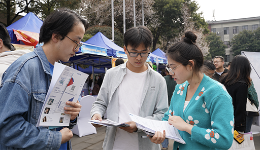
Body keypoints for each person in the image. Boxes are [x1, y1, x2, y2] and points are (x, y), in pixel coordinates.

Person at [0, 8, 87, 150]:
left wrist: (71, 116)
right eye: (75, 41)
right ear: (56, 36)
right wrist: (56, 138)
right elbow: (8, 129)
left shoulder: (62, 71)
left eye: (79, 44)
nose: (77, 49)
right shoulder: (25, 68)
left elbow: (53, 122)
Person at [149, 31, 234, 150]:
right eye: (169, 67)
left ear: (190, 65)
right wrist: (158, 132)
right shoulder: (180, 88)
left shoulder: (217, 93)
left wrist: (187, 127)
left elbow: (224, 139)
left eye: (173, 67)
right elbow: (169, 117)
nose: (170, 72)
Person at [90, 26, 168, 150]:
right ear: (125, 49)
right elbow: (100, 102)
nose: (138, 57)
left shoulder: (158, 80)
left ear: (149, 50)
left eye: (143, 52)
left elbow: (162, 114)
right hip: (114, 143)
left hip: (146, 144)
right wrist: (96, 114)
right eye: (134, 52)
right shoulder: (111, 74)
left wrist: (138, 125)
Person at [221, 55, 252, 138]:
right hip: (233, 122)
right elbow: (240, 108)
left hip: (221, 117)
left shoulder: (224, 79)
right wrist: (240, 128)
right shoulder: (241, 84)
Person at [161, 68, 177, 149]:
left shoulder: (163, 79)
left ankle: (164, 145)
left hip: (164, 106)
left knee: (165, 125)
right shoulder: (178, 80)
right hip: (175, 107)